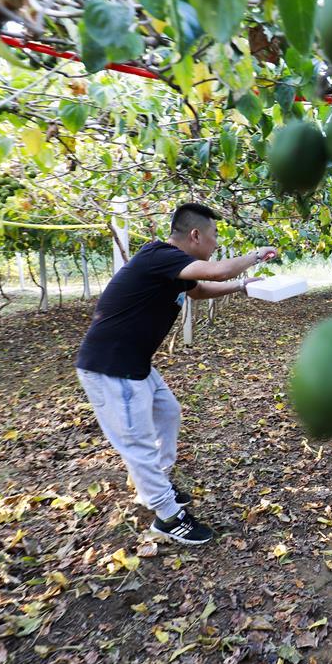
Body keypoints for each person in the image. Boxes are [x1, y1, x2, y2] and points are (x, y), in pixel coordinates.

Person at [75, 202, 277, 545]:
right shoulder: (160, 255)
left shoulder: (168, 266)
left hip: (133, 362)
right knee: (137, 442)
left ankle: (157, 483)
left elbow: (197, 290)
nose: (215, 245)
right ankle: (167, 516)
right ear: (195, 235)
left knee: (168, 412)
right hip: (111, 366)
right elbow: (215, 273)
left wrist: (242, 286)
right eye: (213, 237)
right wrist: (256, 255)